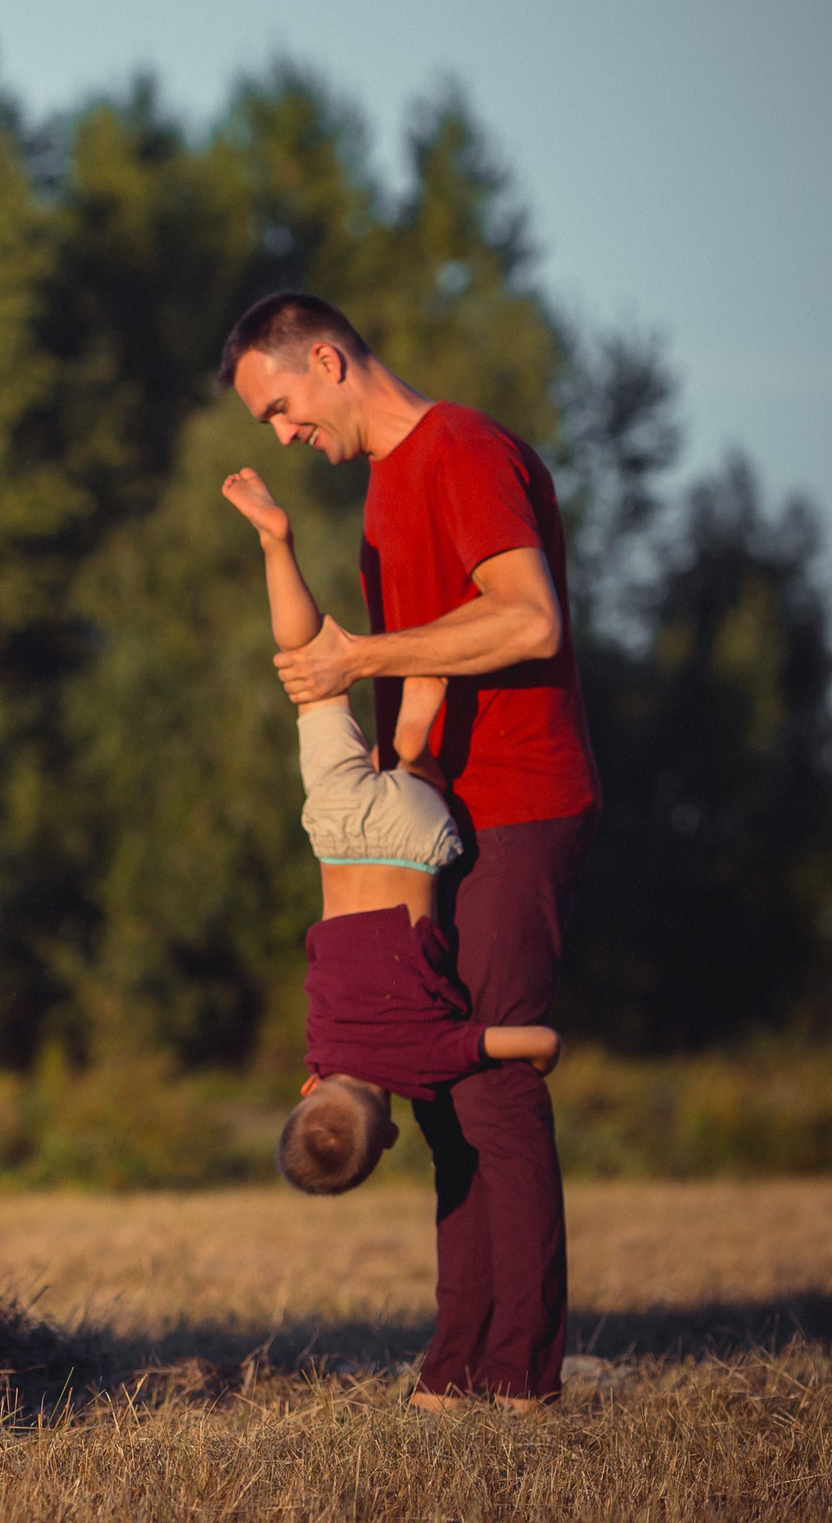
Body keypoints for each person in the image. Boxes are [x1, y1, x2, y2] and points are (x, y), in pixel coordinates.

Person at [221, 292, 598, 1412]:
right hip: (446, 810)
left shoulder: (462, 450)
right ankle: (456, 1365)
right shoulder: (389, 488)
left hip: (520, 799)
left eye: (281, 407)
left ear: (327, 361)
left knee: (490, 1097)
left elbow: (529, 620)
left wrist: (360, 661)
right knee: (443, 1099)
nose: (284, 434)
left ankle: (519, 1377)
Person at [218, 468, 561, 1199]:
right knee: (315, 682)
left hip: (413, 840)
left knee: (424, 788)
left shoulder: (421, 1063)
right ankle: (276, 546)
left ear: (395, 1129)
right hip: (339, 832)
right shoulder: (319, 1044)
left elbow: (514, 1041)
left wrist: (542, 1049)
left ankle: (415, 750)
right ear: (307, 1083)